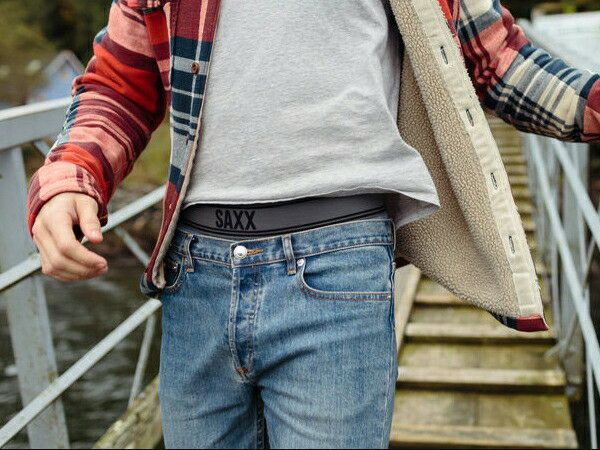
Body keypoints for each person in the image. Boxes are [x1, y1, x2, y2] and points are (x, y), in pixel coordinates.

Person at [27, 0, 600, 448]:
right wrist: (69, 176)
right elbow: (119, 86)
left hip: (337, 263)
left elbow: (498, 59)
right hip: (194, 275)